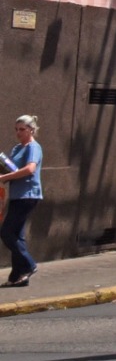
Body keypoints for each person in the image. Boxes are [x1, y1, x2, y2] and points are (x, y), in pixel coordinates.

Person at [1, 115, 42, 287]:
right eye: (16, 129)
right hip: (17, 195)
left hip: (28, 195)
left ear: (31, 130)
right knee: (17, 235)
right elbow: (12, 169)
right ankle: (17, 276)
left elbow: (30, 169)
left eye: (22, 129)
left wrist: (6, 176)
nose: (18, 133)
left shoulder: (34, 147)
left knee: (6, 232)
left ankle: (29, 264)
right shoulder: (17, 148)